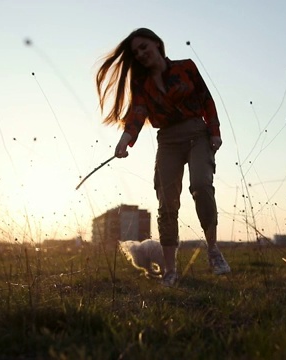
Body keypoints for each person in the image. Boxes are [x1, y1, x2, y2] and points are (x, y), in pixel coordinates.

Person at [95, 28, 230, 286]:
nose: (141, 54)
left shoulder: (185, 68)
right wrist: (125, 140)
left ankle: (213, 251)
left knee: (201, 186)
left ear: (157, 44)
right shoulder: (141, 84)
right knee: (167, 203)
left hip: (197, 134)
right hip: (167, 141)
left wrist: (215, 131)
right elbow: (137, 114)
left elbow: (206, 99)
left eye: (144, 47)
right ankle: (170, 271)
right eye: (136, 52)